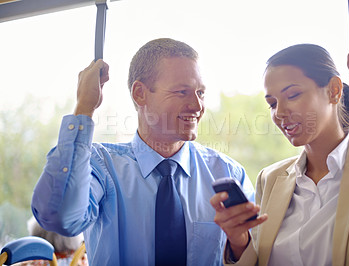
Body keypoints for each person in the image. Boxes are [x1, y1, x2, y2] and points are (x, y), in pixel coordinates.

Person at [31, 38, 254, 265]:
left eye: (201, 93)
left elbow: (256, 254)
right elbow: (60, 218)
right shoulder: (100, 166)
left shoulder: (228, 174)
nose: (197, 106)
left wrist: (239, 242)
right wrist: (84, 108)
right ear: (140, 93)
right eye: (182, 92)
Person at [210, 43, 349, 265]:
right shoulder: (270, 179)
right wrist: (239, 241)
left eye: (293, 95)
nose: (279, 112)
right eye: (272, 103)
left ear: (334, 91)